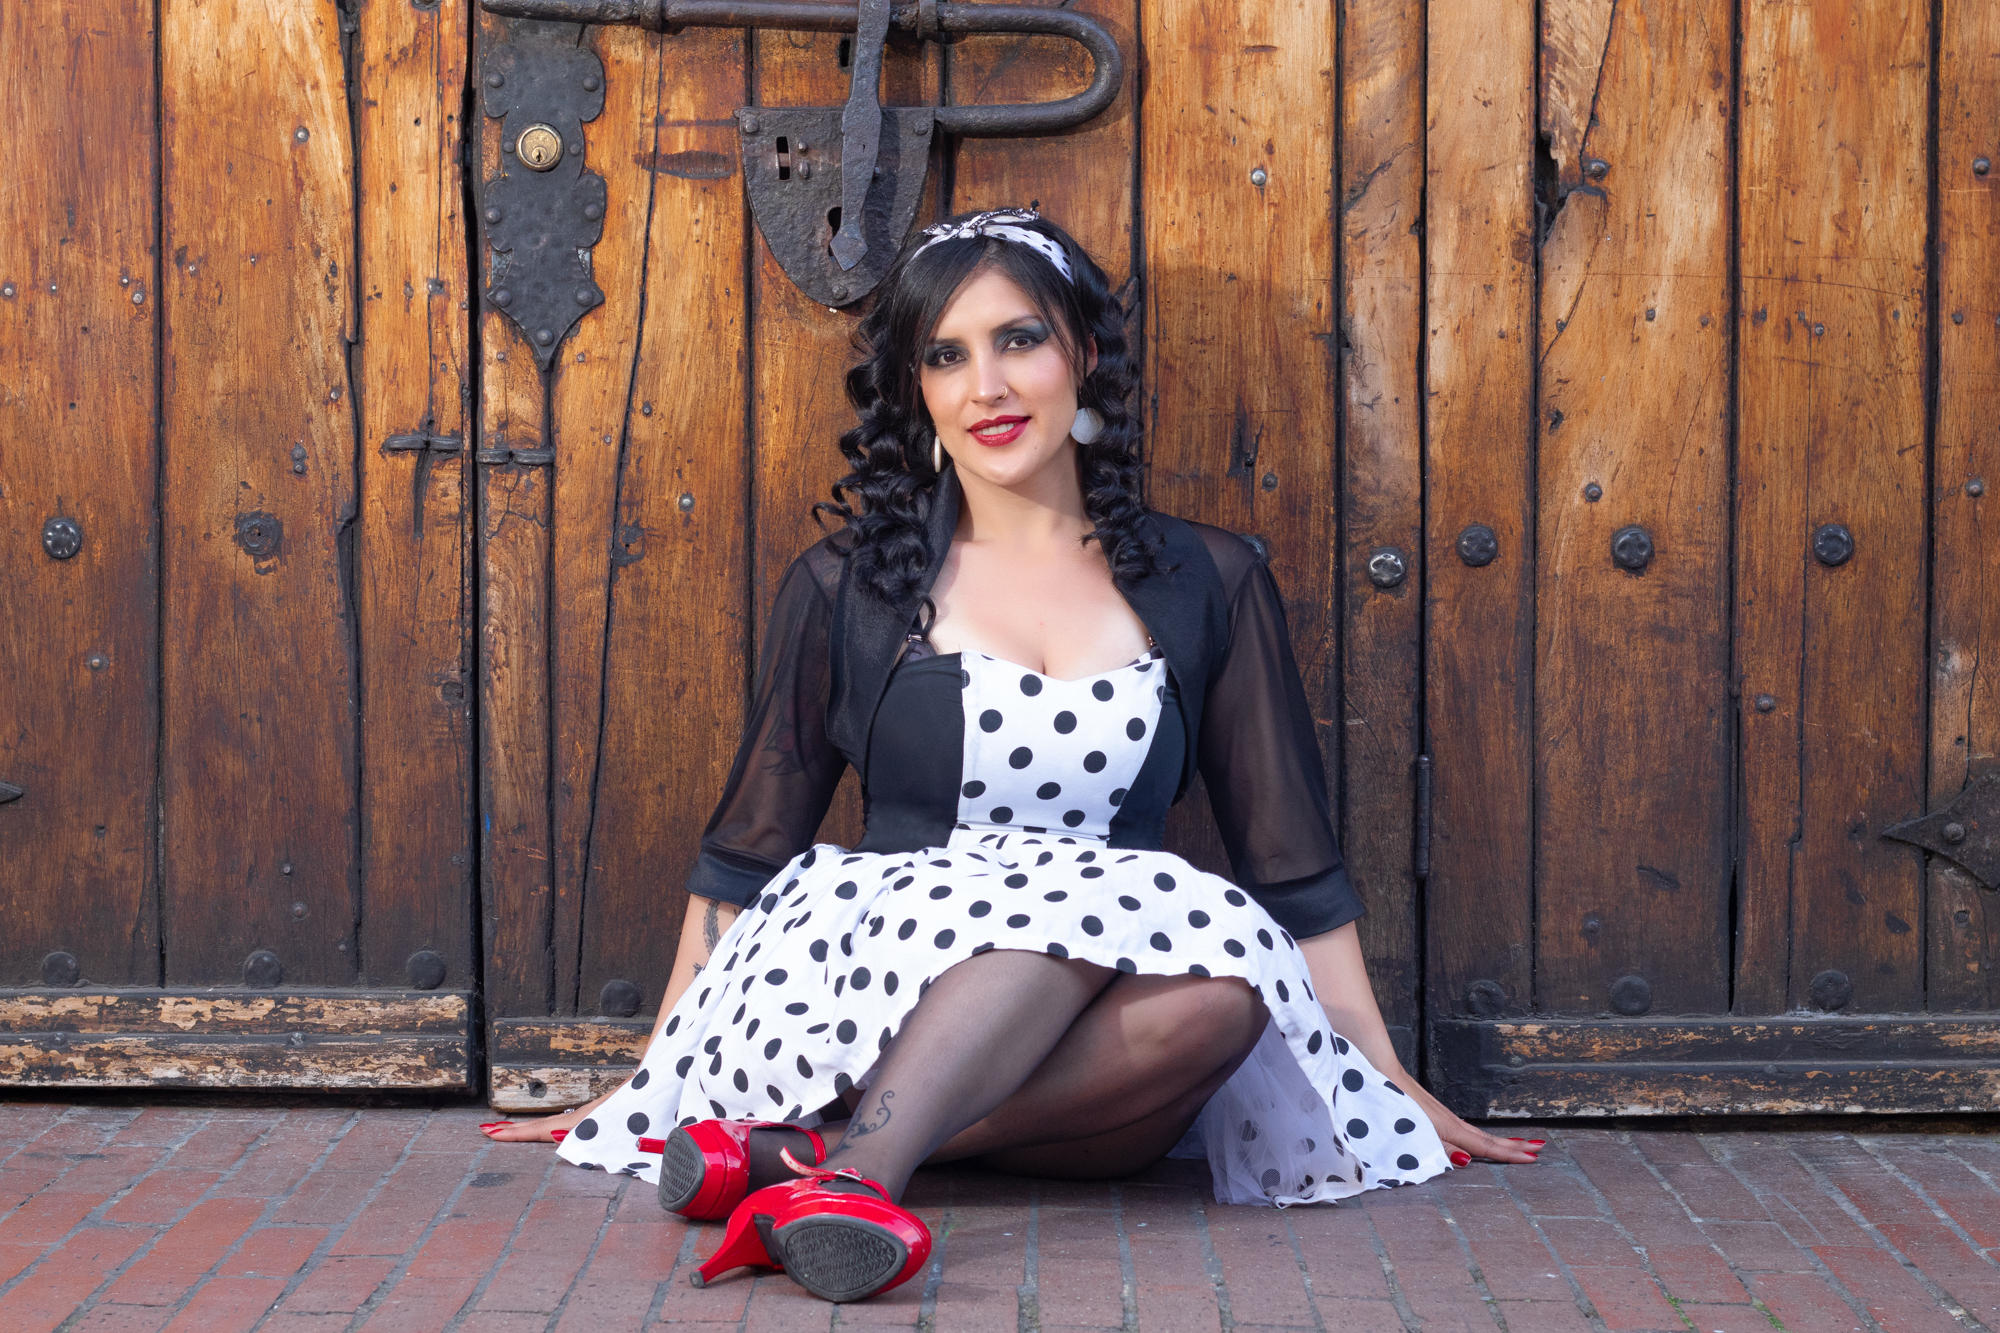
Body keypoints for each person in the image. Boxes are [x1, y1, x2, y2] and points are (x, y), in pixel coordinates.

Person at [479, 207, 1541, 1303]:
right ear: (917, 392)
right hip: (865, 983)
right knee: (1066, 906)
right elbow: (747, 850)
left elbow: (1291, 864)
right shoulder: (851, 586)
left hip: (1095, 1042)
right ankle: (858, 1176)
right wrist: (654, 1074)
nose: (985, 386)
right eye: (946, 356)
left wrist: (1379, 1074)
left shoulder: (1205, 580)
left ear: (1082, 354)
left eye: (1017, 340)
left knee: (1229, 995)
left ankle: (802, 1157)